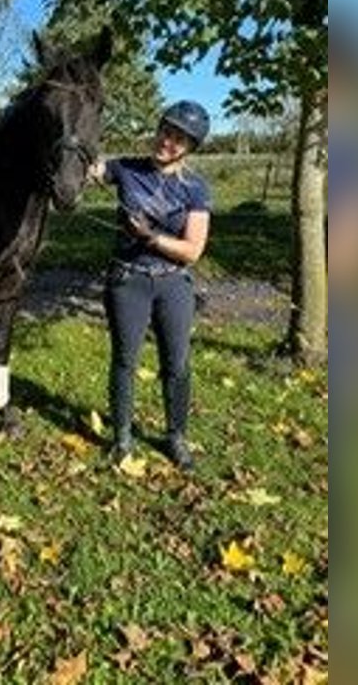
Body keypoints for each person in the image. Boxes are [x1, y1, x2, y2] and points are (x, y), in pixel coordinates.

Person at [90, 101, 212, 471]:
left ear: (190, 148)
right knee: (125, 361)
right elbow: (88, 170)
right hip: (128, 281)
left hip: (173, 284)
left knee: (176, 363)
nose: (168, 142)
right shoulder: (126, 169)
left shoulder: (195, 188)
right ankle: (123, 438)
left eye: (179, 139)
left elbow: (193, 249)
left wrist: (150, 238)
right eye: (165, 131)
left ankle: (175, 436)